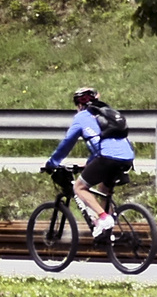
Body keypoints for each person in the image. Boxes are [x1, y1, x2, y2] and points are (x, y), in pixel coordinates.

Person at [44, 86, 134, 236]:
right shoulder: (107, 113)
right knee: (103, 190)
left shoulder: (81, 117)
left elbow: (67, 143)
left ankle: (103, 218)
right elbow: (102, 143)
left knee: (79, 187)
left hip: (108, 158)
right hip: (127, 157)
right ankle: (108, 233)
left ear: (79, 105)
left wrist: (52, 162)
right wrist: (89, 163)